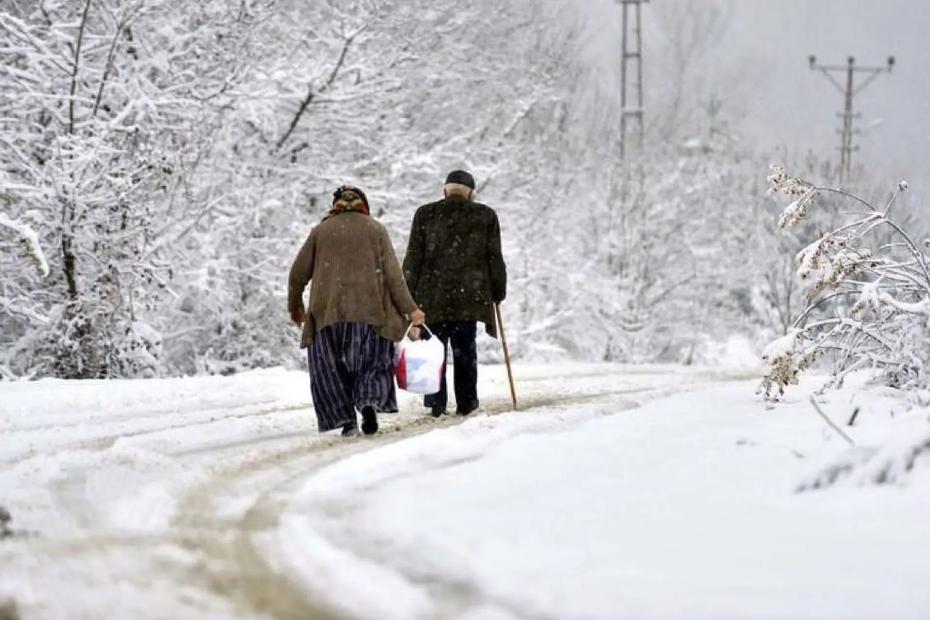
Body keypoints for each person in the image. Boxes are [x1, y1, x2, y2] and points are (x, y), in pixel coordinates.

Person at [288, 185, 425, 436]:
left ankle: (345, 420)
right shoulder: (376, 230)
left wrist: (295, 306)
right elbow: (395, 278)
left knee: (331, 370)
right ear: (364, 205)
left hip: (327, 314)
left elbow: (297, 274)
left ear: (335, 205)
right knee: (371, 364)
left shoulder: (320, 231)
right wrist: (411, 310)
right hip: (370, 314)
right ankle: (368, 402)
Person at [403, 170, 507, 417]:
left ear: (445, 190)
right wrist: (498, 291)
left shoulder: (425, 214)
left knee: (433, 351)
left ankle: (436, 403)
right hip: (467, 299)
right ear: (471, 193)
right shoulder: (485, 215)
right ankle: (467, 402)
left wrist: (408, 298)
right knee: (465, 351)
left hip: (432, 297)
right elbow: (495, 258)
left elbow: (412, 260)